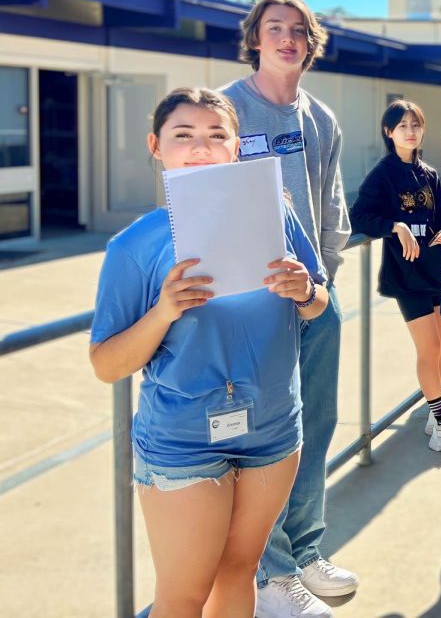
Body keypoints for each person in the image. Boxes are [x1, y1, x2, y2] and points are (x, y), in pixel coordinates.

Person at [89, 87, 329, 617]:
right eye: (184, 136)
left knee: (239, 571)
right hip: (184, 440)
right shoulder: (134, 246)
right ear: (157, 146)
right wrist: (163, 311)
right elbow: (107, 364)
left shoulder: (278, 217)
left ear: (236, 148)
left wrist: (305, 292)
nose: (202, 147)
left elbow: (320, 306)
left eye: (217, 136)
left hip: (272, 429)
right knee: (183, 595)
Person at [221, 0, 356, 617]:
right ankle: (269, 575)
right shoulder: (227, 109)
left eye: (299, 30)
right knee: (265, 437)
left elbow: (331, 208)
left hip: (313, 298)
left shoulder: (321, 118)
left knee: (315, 426)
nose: (287, 39)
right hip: (251, 305)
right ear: (255, 38)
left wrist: (324, 281)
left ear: (310, 43)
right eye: (275, 28)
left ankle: (304, 551)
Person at [349, 99, 441, 459]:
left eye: (415, 125)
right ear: (389, 133)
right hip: (406, 273)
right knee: (429, 347)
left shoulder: (429, 173)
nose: (410, 131)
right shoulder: (383, 173)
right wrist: (395, 225)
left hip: (435, 266)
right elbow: (360, 216)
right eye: (402, 125)